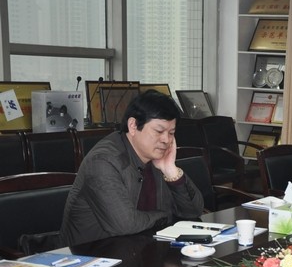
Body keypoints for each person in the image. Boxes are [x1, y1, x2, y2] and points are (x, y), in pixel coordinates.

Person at [60, 90, 205, 246]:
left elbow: (194, 211)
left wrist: (171, 171)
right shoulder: (103, 162)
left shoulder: (157, 158)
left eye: (171, 133)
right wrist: (164, 216)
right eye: (159, 131)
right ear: (133, 126)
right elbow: (125, 224)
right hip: (92, 254)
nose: (166, 140)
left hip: (142, 247)